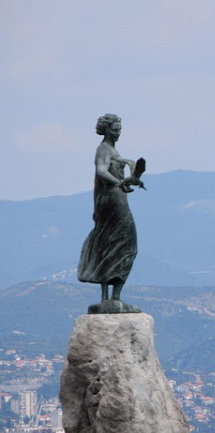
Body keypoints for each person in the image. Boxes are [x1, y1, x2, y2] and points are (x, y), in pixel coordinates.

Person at [77, 113, 142, 305]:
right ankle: (112, 297)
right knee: (127, 242)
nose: (118, 133)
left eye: (120, 129)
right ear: (106, 129)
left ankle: (110, 297)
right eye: (115, 130)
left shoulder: (113, 151)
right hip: (113, 199)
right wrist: (120, 182)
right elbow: (101, 170)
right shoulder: (103, 149)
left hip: (115, 197)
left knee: (111, 240)